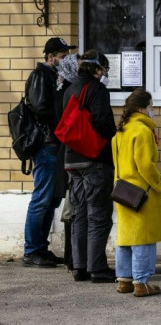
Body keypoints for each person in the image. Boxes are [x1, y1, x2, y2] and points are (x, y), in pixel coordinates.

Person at [112, 88, 161, 297]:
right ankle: (141, 282)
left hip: (123, 191)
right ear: (141, 109)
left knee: (126, 237)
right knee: (145, 237)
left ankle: (124, 280)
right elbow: (146, 165)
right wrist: (159, 183)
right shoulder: (143, 131)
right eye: (150, 106)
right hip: (143, 192)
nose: (152, 110)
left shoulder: (121, 131)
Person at [64, 50, 117, 282]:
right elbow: (104, 123)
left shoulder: (69, 89)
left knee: (80, 214)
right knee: (99, 215)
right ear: (97, 69)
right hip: (95, 159)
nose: (104, 74)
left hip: (72, 159)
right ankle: (97, 268)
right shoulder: (98, 89)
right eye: (104, 70)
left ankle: (80, 266)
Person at [23, 37, 76, 268]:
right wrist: (59, 88)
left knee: (52, 200)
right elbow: (41, 109)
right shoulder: (40, 76)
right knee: (41, 198)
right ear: (50, 57)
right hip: (46, 144)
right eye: (62, 57)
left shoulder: (57, 77)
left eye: (67, 56)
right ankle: (32, 250)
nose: (65, 60)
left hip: (56, 144)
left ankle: (41, 248)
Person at [56, 53, 80, 271]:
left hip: (66, 154)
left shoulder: (64, 89)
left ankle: (70, 257)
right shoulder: (71, 92)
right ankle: (72, 257)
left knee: (70, 206)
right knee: (73, 208)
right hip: (72, 154)